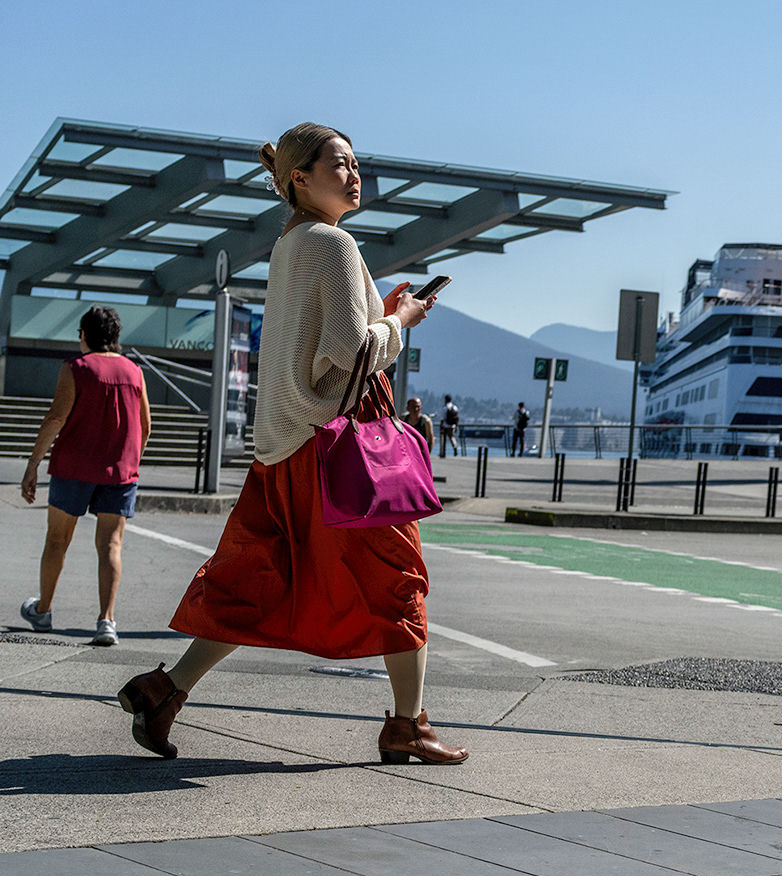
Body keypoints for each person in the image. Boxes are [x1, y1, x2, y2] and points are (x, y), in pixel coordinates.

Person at [112, 122, 463, 766]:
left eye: (357, 163)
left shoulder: (292, 242)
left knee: (259, 577)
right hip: (341, 442)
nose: (354, 174)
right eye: (340, 164)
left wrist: (379, 311)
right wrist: (402, 323)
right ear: (299, 178)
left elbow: (318, 341)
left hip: (284, 443)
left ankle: (164, 691)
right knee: (399, 575)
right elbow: (350, 353)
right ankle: (407, 726)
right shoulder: (333, 243)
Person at [17, 306, 150, 647]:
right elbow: (146, 425)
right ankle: (106, 621)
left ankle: (43, 611)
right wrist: (128, 459)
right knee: (110, 545)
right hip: (120, 473)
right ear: (116, 337)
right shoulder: (135, 372)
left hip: (73, 468)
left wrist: (33, 463)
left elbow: (55, 419)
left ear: (83, 335)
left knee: (57, 541)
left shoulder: (76, 368)